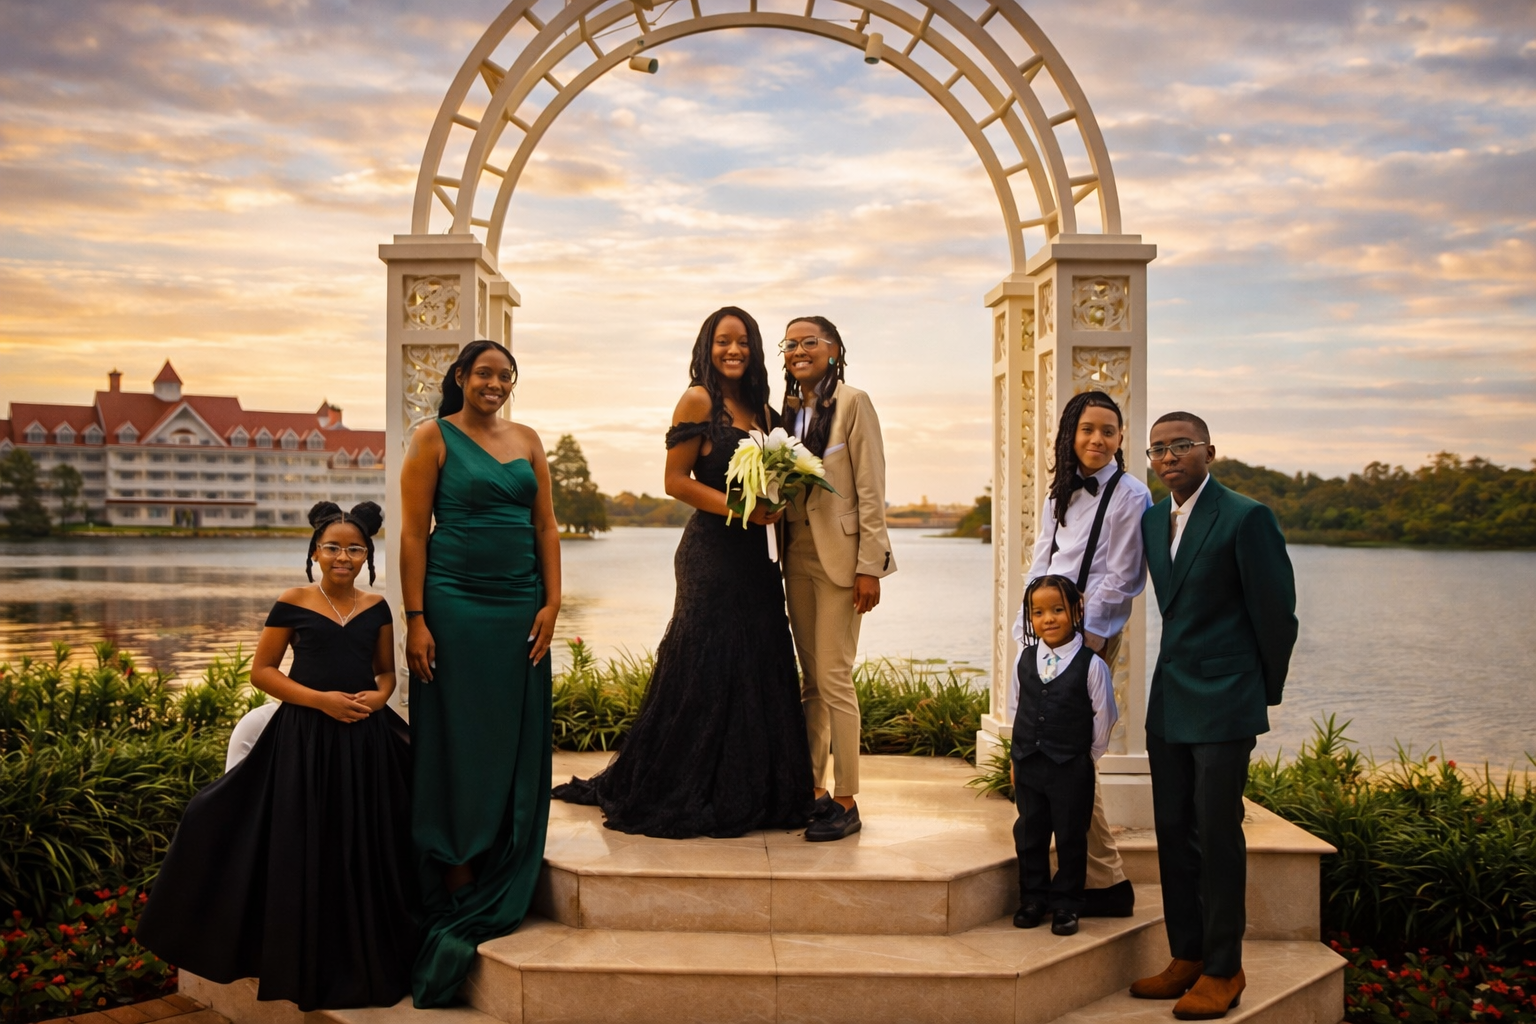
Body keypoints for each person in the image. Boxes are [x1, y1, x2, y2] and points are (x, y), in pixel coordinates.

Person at [137, 502, 417, 1011]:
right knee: (273, 830)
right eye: (332, 547)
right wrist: (320, 701)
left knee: (364, 839)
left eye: (355, 549)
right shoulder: (292, 601)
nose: (343, 556)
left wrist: (376, 700)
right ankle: (300, 960)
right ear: (314, 552)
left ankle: (366, 954)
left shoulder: (377, 608)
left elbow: (384, 674)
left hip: (363, 739)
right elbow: (262, 672)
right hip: (304, 739)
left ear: (366, 557)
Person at [552, 306, 814, 838]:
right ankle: (683, 786)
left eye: (742, 341)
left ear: (755, 348)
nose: (733, 350)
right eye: (723, 341)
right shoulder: (699, 399)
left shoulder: (765, 412)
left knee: (759, 656)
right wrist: (738, 510)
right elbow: (675, 481)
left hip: (757, 556)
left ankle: (756, 790)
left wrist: (777, 500)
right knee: (707, 659)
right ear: (707, 347)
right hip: (712, 553)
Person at [398, 340, 561, 1008]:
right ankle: (459, 869)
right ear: (460, 377)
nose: (495, 383)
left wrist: (552, 603)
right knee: (461, 735)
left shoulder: (527, 439)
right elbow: (411, 533)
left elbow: (545, 526)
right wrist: (414, 618)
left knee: (512, 732)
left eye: (505, 375)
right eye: (484, 373)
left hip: (520, 604)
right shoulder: (431, 437)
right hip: (455, 605)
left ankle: (504, 856)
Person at [1130, 411, 1297, 1021]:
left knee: (1218, 833)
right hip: (1169, 699)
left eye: (1182, 445)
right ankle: (1188, 956)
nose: (1170, 456)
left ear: (1209, 451)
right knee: (1173, 832)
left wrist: (1258, 694)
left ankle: (1226, 968)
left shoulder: (1247, 517)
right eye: (1158, 449)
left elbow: (1277, 616)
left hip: (1226, 700)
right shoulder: (1153, 519)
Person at [1012, 390, 1151, 916]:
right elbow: (1040, 561)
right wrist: (1031, 630)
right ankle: (1099, 879)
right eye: (1088, 429)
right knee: (1047, 752)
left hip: (1087, 637)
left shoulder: (1130, 494)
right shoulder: (1058, 494)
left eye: (1109, 431)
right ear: (1070, 433)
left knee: (1072, 758)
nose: (1098, 439)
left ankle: (1106, 880)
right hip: (1044, 633)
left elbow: (1122, 578)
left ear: (1120, 438)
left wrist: (1082, 641)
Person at [778, 315, 895, 842]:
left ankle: (847, 799)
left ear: (834, 349)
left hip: (843, 560)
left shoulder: (854, 402)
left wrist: (870, 565)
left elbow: (870, 488)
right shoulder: (784, 412)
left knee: (834, 676)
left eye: (809, 341)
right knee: (810, 682)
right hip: (794, 553)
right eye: (791, 343)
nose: (799, 350)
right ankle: (813, 791)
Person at [1010, 574, 1117, 937]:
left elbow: (1104, 718)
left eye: (1057, 610)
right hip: (1029, 763)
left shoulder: (1091, 665)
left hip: (1071, 766)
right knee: (1029, 833)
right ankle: (1033, 898)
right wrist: (1016, 757)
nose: (1048, 619)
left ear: (1076, 610)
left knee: (1072, 836)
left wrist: (1083, 758)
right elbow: (1016, 709)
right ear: (1030, 617)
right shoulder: (1023, 660)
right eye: (1038, 612)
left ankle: (1067, 904)